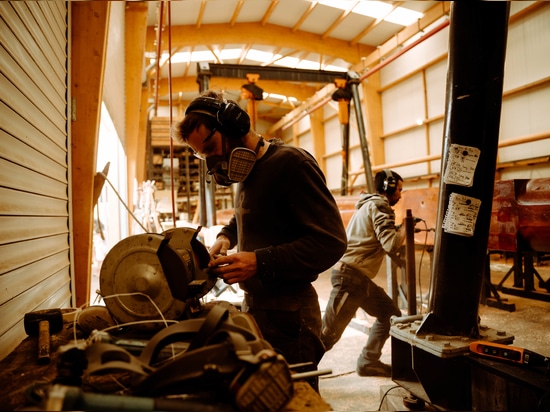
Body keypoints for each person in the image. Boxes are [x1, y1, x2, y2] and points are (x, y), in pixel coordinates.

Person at [171, 90, 347, 390]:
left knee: (293, 400)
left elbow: (331, 241)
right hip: (259, 311)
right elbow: (246, 215)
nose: (213, 163)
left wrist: (259, 262)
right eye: (204, 156)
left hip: (292, 317)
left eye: (212, 147)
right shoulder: (249, 173)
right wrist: (227, 237)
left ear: (234, 124)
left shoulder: (292, 165)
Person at [321, 169, 405, 377]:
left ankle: (368, 361)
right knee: (327, 335)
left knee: (390, 314)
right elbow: (391, 244)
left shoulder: (368, 204)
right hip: (350, 277)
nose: (400, 195)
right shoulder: (380, 206)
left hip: (359, 278)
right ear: (389, 187)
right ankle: (296, 373)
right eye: (399, 190)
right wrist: (406, 229)